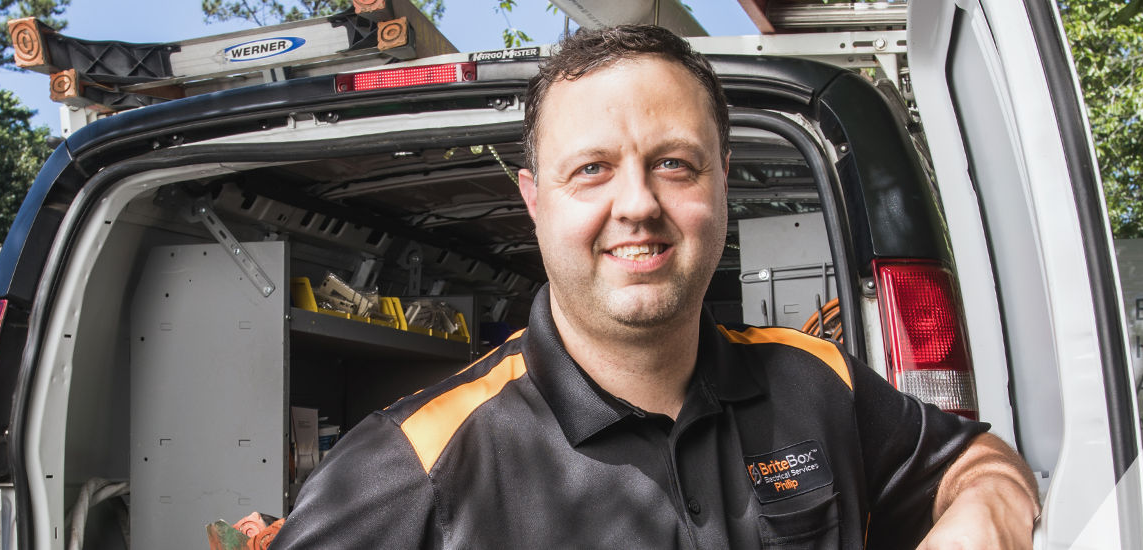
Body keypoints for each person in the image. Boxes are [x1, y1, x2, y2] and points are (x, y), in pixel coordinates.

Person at [272, 25, 1038, 549]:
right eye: (592, 169)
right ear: (537, 203)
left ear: (723, 184)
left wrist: (984, 516)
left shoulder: (818, 383)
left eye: (674, 163)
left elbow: (981, 462)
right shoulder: (410, 467)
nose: (637, 204)